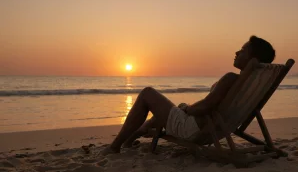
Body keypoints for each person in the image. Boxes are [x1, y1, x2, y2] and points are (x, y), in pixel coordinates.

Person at [104, 35, 276, 154]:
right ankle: (131, 139)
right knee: (175, 108)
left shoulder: (231, 78)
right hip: (211, 130)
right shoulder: (248, 85)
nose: (237, 52)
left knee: (147, 93)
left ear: (254, 59)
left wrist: (188, 110)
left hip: (193, 130)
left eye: (243, 50)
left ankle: (115, 146)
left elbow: (206, 106)